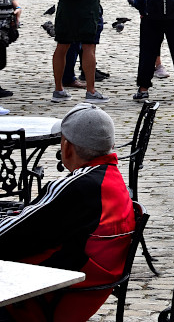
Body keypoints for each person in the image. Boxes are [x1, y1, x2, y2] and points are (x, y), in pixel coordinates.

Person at [0, 105, 134, 322]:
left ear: (67, 147)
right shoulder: (112, 181)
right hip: (84, 291)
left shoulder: (78, 188)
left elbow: (10, 236)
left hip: (49, 299)